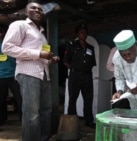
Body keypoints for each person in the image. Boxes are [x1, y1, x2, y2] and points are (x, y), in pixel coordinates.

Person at [1, 2, 60, 141]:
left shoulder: (42, 34)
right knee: (31, 114)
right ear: (26, 12)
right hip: (29, 74)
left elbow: (43, 56)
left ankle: (44, 138)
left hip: (44, 75)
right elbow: (7, 48)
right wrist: (38, 54)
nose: (37, 10)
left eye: (40, 9)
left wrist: (51, 59)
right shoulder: (19, 25)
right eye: (33, 8)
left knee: (46, 111)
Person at [63, 23, 96, 128]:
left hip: (87, 76)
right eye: (81, 32)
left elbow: (92, 63)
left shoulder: (91, 47)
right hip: (75, 75)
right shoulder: (72, 45)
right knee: (73, 99)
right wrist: (74, 70)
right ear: (77, 34)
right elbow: (66, 61)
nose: (84, 34)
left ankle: (89, 121)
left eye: (85, 32)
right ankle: (71, 122)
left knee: (88, 99)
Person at [0, 25, 22, 126]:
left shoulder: (10, 45)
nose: (0, 34)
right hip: (1, 76)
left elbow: (18, 60)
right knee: (1, 99)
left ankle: (23, 119)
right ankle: (2, 120)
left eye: (1, 33)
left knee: (19, 97)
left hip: (13, 75)